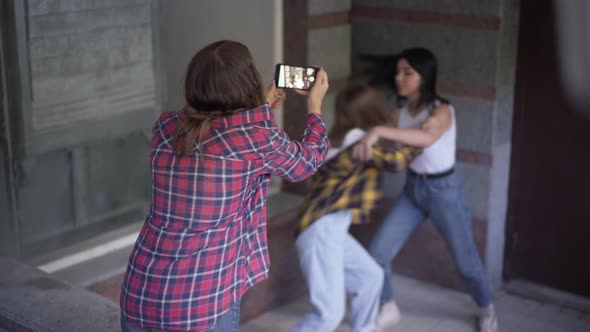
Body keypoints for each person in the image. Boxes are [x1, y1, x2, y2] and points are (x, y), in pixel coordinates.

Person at [119, 40, 330, 332]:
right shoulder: (256, 139)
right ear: (249, 83)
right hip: (202, 301)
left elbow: (215, 133)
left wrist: (261, 110)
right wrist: (315, 104)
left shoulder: (165, 127)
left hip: (141, 293)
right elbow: (308, 161)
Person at [353, 47, 499, 332]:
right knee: (378, 253)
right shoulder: (401, 111)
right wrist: (360, 140)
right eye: (398, 72)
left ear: (425, 76)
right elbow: (383, 144)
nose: (399, 78)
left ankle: (486, 307)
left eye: (408, 73)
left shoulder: (442, 111)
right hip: (412, 190)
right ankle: (388, 306)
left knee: (465, 261)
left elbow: (427, 136)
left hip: (444, 192)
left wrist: (379, 132)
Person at [292, 85, 421, 332]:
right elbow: (396, 161)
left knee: (370, 277)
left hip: (330, 228)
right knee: (329, 316)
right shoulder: (359, 143)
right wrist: (426, 137)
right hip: (320, 230)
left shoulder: (343, 138)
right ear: (372, 111)